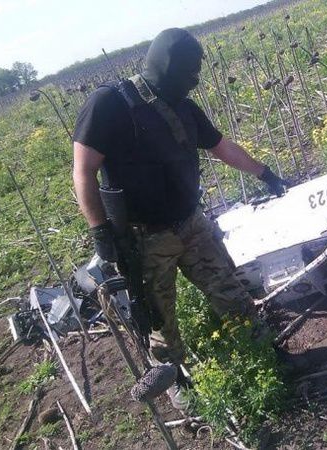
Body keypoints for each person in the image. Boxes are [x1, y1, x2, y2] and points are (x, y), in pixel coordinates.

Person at [72, 28, 286, 410]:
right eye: (189, 71)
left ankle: (267, 357)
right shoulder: (109, 104)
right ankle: (179, 388)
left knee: (232, 294)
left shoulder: (183, 107)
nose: (195, 79)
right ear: (168, 66)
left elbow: (221, 147)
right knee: (159, 323)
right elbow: (83, 171)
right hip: (144, 238)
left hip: (191, 223)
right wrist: (100, 232)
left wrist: (265, 174)